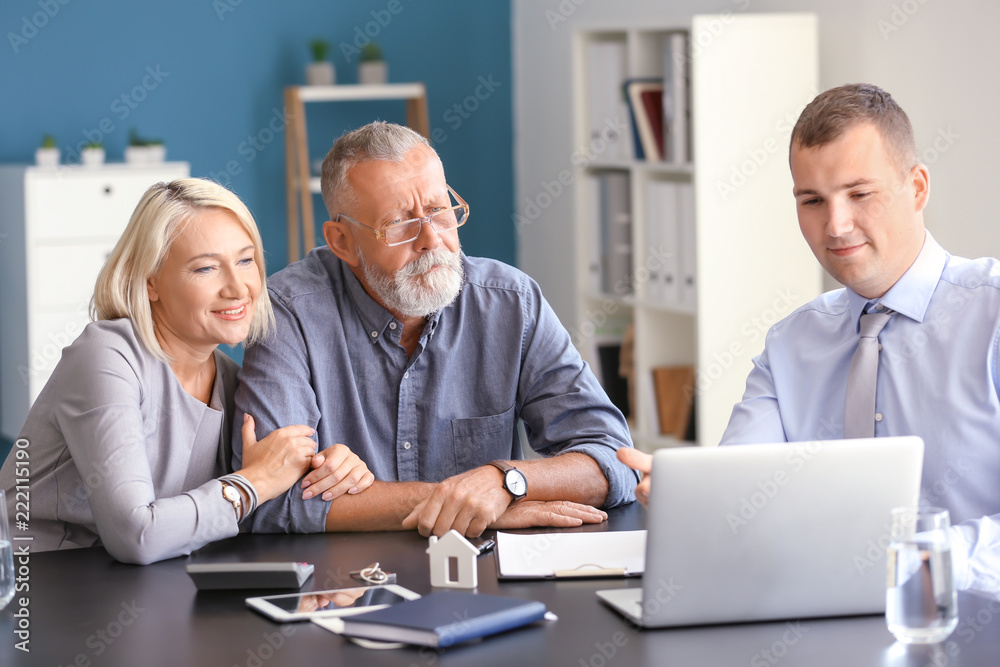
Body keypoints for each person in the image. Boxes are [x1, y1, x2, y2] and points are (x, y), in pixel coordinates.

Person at [619, 83, 999, 595]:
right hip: (818, 624)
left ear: (918, 188)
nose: (837, 225)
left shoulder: (991, 317)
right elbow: (741, 489)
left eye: (860, 194)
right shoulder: (791, 343)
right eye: (812, 200)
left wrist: (901, 561)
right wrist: (696, 501)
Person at [235, 121, 638, 537]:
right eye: (398, 224)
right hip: (349, 587)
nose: (431, 239)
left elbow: (614, 458)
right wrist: (468, 505)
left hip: (485, 584)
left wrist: (504, 483)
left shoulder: (511, 301)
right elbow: (267, 498)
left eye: (439, 211)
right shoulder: (287, 313)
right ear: (342, 242)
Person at [0, 178, 373, 564]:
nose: (238, 287)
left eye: (245, 261)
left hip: (137, 587)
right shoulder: (105, 357)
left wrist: (333, 469)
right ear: (150, 282)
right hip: (31, 587)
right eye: (206, 268)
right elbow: (136, 535)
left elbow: (253, 500)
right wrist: (257, 480)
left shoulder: (229, 380)